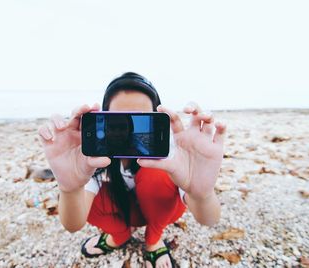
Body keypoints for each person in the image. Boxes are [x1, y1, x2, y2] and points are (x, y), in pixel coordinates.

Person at [38, 72, 226, 268]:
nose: (123, 130)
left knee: (155, 173)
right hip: (124, 213)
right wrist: (69, 188)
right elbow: (73, 224)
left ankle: (153, 240)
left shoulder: (171, 156)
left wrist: (202, 193)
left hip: (158, 211)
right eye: (116, 120)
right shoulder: (94, 160)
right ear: (104, 118)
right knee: (86, 183)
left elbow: (209, 219)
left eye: (137, 119)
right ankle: (119, 236)